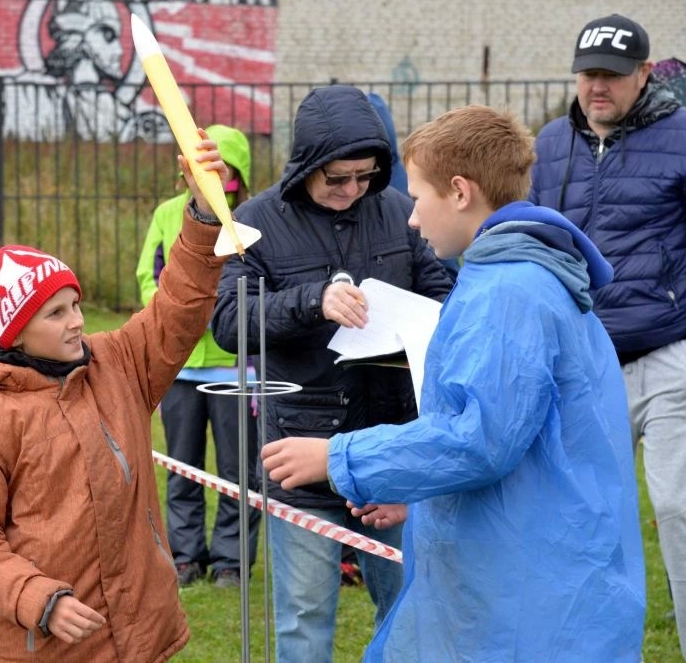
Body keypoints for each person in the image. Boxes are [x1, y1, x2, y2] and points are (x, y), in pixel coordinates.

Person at [263, 104, 646, 661]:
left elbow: (479, 438)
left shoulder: (508, 294)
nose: (412, 219)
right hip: (536, 557)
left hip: (526, 595)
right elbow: (522, 441)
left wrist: (339, 458)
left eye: (417, 197)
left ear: (460, 192)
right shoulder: (515, 278)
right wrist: (418, 495)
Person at [0, 131, 230, 661]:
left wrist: (203, 213)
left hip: (142, 634)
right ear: (14, 333)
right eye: (56, 313)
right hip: (52, 646)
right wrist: (38, 599)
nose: (78, 322)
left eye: (76, 304)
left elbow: (179, 307)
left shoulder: (116, 363)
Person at [210, 84, 454, 662]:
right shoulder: (254, 221)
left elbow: (445, 298)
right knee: (302, 619)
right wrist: (311, 300)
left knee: (411, 609)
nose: (351, 190)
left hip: (395, 443)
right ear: (306, 165)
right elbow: (226, 321)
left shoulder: (400, 212)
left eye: (365, 176)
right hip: (300, 449)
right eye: (336, 177)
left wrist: (410, 326)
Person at [529, 13, 686, 653]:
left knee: (678, 510)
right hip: (584, 363)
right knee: (582, 516)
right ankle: (590, 645)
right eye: (590, 73)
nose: (599, 87)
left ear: (644, 75)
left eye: (614, 76)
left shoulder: (682, 136)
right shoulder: (548, 145)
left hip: (669, 351)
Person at [135, 124, 260, 589]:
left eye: (225, 178)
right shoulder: (168, 214)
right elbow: (149, 274)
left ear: (239, 177)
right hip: (180, 368)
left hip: (235, 370)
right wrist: (180, 314)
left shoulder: (253, 216)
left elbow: (259, 282)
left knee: (237, 472)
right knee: (180, 466)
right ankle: (185, 555)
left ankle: (232, 560)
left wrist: (225, 315)